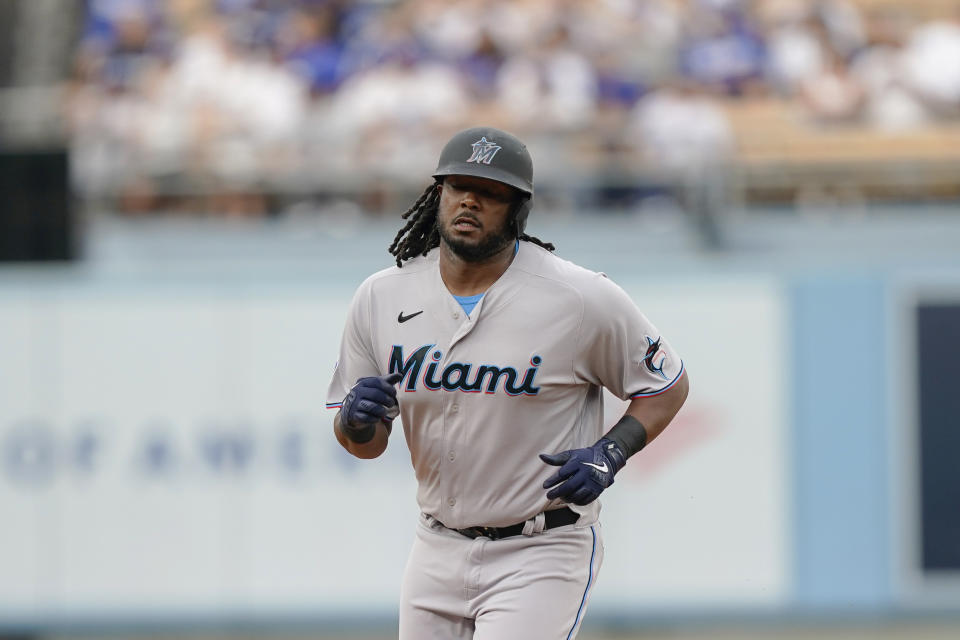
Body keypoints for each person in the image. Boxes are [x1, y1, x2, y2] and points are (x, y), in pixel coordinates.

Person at [326, 126, 689, 639]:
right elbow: (363, 446)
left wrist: (612, 450)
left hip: (541, 549)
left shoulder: (579, 297)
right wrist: (354, 423)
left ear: (518, 209)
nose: (470, 200)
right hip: (436, 545)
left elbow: (666, 385)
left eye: (491, 192)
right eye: (457, 186)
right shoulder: (382, 296)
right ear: (438, 195)